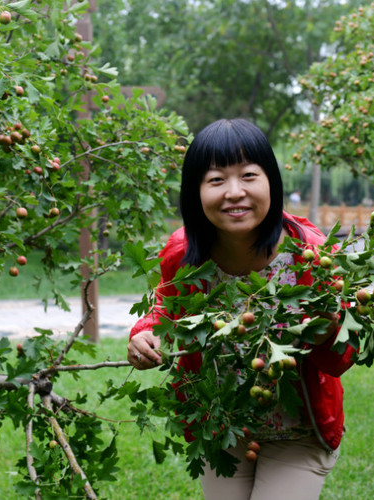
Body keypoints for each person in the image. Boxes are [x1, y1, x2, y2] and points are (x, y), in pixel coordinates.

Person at [126, 119, 355, 500]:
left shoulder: (313, 257)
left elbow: (341, 360)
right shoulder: (182, 255)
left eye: (248, 175)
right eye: (216, 180)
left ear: (272, 182)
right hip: (224, 426)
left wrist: (329, 325)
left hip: (299, 430)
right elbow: (166, 308)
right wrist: (145, 333)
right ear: (195, 191)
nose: (234, 192)